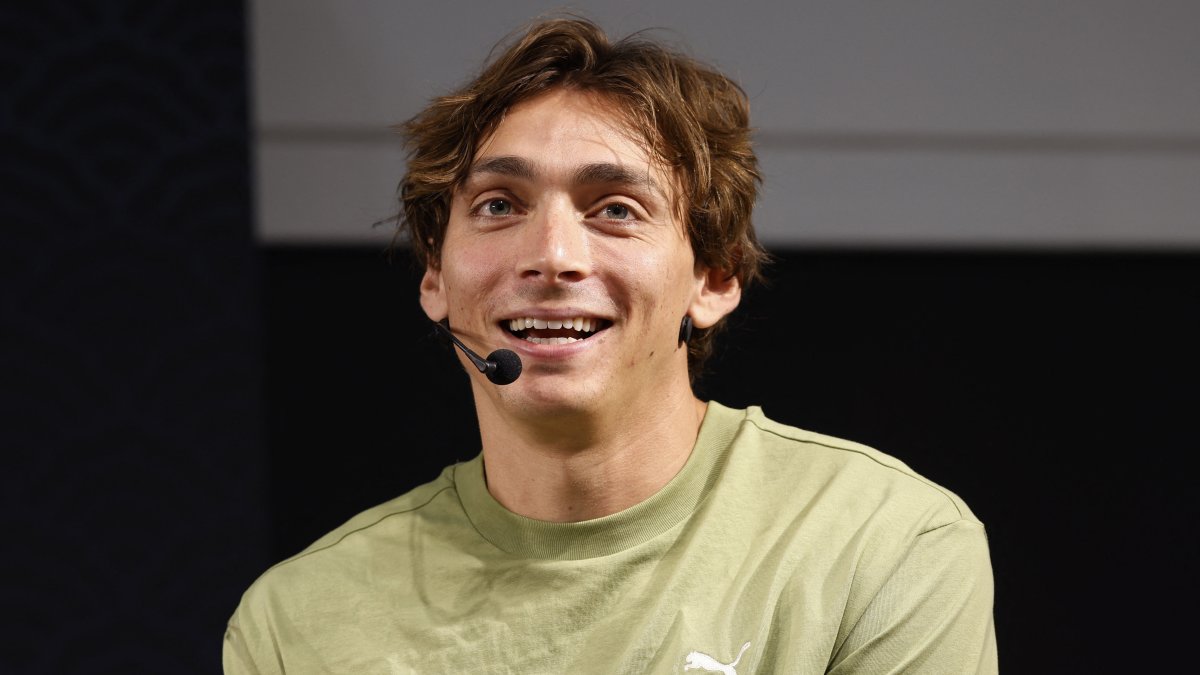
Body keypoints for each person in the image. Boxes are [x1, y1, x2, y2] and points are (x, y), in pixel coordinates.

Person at [224, 17, 996, 674]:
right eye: (499, 205)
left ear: (714, 277)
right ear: (435, 278)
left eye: (616, 209)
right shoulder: (298, 621)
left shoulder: (882, 542)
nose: (553, 255)